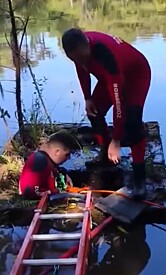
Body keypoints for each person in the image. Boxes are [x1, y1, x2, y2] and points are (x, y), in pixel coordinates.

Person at [61, 28, 152, 200]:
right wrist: (87, 97)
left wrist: (117, 139)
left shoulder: (106, 55)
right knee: (94, 112)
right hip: (108, 77)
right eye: (75, 60)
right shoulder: (77, 48)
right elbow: (82, 71)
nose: (80, 62)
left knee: (132, 124)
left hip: (135, 75)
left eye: (82, 58)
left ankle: (139, 179)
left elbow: (119, 105)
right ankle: (105, 154)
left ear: (87, 46)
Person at [18, 130, 79, 200]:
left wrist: (64, 175)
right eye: (67, 154)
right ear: (57, 152)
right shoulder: (39, 160)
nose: (68, 158)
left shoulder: (48, 159)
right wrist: (56, 192)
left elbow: (54, 171)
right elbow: (29, 192)